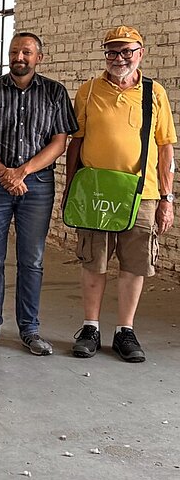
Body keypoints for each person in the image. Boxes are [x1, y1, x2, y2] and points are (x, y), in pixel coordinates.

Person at [65, 26, 176, 363]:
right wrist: (70, 188)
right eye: (112, 52)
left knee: (134, 264)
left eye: (127, 51)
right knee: (94, 260)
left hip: (142, 194)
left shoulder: (155, 93)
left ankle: (125, 331)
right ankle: (90, 328)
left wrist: (167, 199)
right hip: (96, 192)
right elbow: (76, 142)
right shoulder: (88, 91)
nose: (119, 58)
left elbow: (165, 147)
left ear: (140, 53)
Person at [0, 32, 77, 355]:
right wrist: (4, 173)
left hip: (36, 186)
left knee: (32, 259)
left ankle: (29, 329)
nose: (19, 57)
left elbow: (59, 142)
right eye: (14, 52)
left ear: (39, 57)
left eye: (26, 52)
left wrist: (22, 171)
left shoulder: (55, 92)